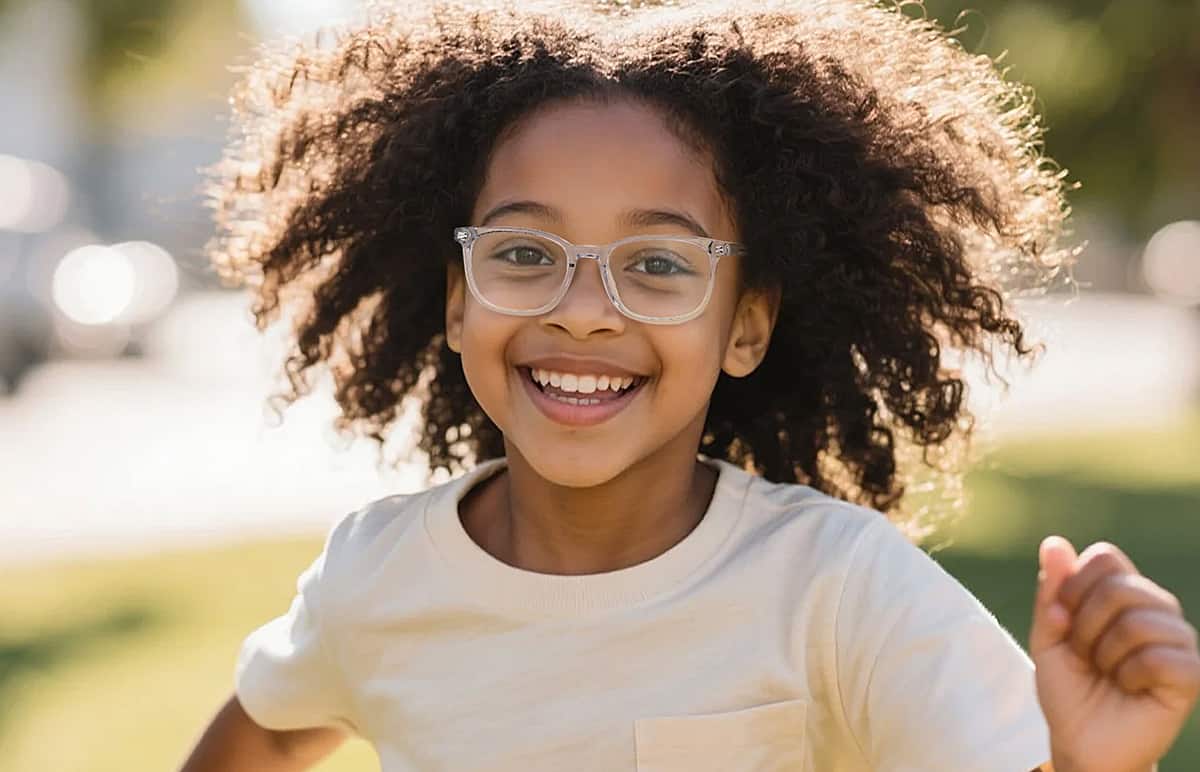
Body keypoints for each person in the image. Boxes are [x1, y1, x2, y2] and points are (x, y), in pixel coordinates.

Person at [180, 1, 1200, 770]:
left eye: (659, 264)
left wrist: (1095, 764)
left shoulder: (835, 586)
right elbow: (265, 734)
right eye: (525, 252)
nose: (582, 310)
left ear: (745, 324)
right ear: (457, 303)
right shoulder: (380, 575)